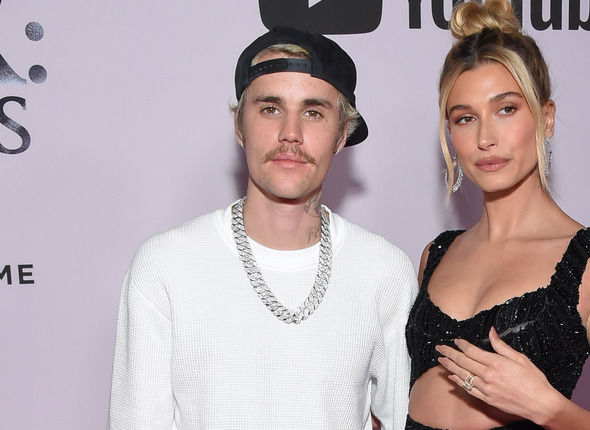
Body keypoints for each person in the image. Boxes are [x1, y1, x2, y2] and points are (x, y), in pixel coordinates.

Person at [107, 26, 418, 430]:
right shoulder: (165, 266)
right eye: (270, 109)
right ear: (239, 126)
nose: (291, 133)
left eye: (313, 111)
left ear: (342, 134)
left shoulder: (384, 271)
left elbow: (404, 419)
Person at [405, 0, 590, 430]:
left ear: (546, 118)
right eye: (464, 118)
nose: (485, 138)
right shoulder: (436, 254)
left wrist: (546, 406)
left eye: (506, 109)